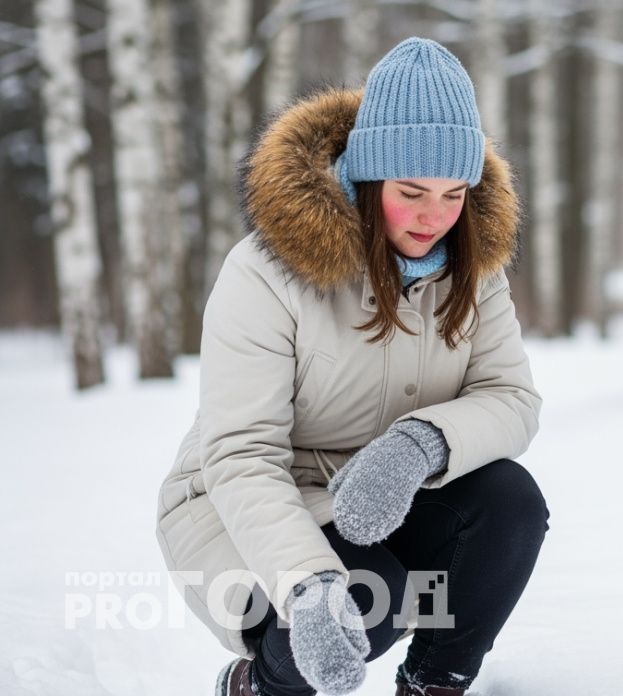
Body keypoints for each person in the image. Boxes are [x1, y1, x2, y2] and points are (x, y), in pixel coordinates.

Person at [153, 37, 549, 696]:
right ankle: (258, 685)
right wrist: (306, 586)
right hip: (242, 505)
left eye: (454, 194)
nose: (434, 217)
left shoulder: (474, 270)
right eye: (411, 191)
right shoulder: (266, 271)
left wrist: (417, 447)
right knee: (368, 600)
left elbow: (511, 397)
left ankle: (435, 682)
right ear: (366, 177)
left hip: (385, 498)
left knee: (509, 502)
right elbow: (240, 455)